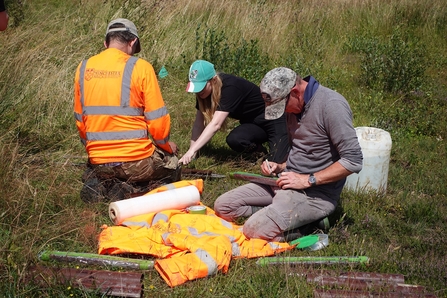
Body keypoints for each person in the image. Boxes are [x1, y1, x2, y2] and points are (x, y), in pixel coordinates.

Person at [214, 67, 363, 242]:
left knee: (253, 231)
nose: (283, 113)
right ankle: (279, 215)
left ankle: (309, 226)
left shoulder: (331, 105)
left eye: (281, 106)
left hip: (315, 194)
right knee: (223, 207)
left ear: (295, 93)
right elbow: (301, 152)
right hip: (284, 182)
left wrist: (307, 180)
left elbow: (353, 160)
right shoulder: (294, 107)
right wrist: (280, 166)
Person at [74, 18, 179, 203]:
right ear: (132, 42)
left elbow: (80, 121)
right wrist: (166, 146)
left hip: (98, 160)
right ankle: (134, 188)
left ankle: (102, 183)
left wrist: (95, 150)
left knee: (106, 169)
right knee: (173, 166)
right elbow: (157, 122)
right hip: (136, 162)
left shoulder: (83, 68)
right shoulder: (141, 67)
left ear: (106, 43)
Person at [179, 60, 289, 165]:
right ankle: (260, 153)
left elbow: (216, 124)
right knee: (235, 139)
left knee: (277, 163)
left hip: (273, 119)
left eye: (201, 87)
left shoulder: (230, 87)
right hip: (252, 123)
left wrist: (192, 150)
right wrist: (192, 153)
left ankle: (285, 145)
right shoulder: (203, 94)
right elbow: (198, 124)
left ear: (214, 80)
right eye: (196, 89)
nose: (198, 92)